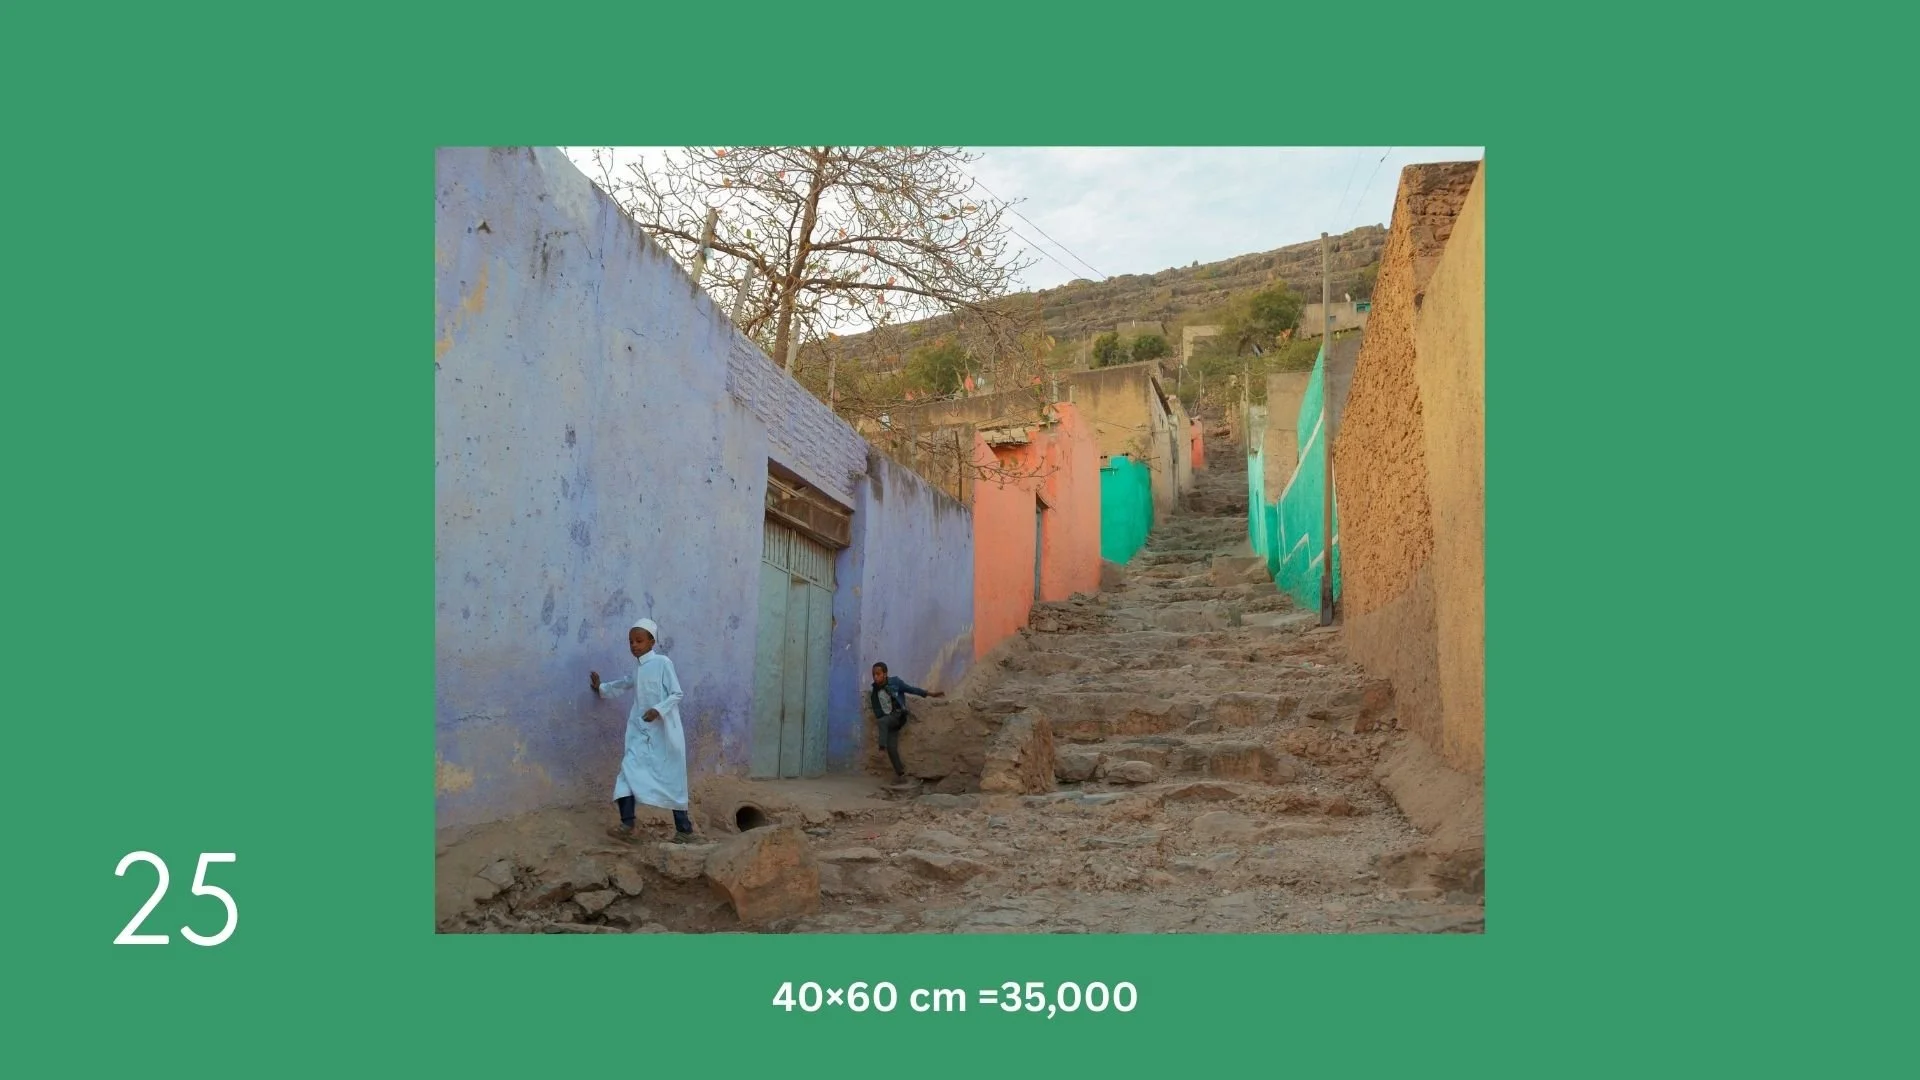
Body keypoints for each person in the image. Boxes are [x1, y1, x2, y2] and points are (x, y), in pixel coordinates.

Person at [589, 618, 695, 844]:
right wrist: (601, 688)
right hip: (639, 731)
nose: (634, 645)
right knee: (627, 771)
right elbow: (626, 683)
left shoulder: (663, 663)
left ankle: (684, 830)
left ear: (651, 641)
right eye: (630, 642)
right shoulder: (637, 669)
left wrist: (657, 710)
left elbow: (677, 693)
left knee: (671, 777)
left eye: (639, 641)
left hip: (665, 732)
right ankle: (627, 824)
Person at [867, 662, 944, 783]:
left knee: (882, 722)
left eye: (878, 674)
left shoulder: (895, 682)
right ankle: (901, 774)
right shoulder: (875, 692)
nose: (875, 677)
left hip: (898, 715)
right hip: (889, 720)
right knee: (892, 748)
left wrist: (930, 694)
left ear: (885, 674)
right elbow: (878, 710)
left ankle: (881, 748)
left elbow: (911, 689)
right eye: (873, 674)